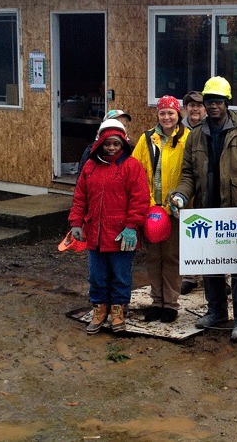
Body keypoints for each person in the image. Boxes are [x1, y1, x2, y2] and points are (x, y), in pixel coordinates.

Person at [168, 76, 237, 342]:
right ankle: (217, 312)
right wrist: (179, 195)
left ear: (227, 103)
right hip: (207, 210)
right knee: (210, 264)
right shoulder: (196, 135)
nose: (213, 106)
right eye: (209, 101)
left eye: (218, 102)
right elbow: (188, 173)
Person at [68, 119, 150, 334]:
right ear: (100, 144)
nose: (111, 148)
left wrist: (132, 225)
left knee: (121, 276)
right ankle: (99, 309)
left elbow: (140, 199)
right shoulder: (90, 166)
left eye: (116, 144)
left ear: (122, 144)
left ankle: (118, 310)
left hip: (122, 234)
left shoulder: (132, 167)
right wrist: (76, 222)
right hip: (95, 232)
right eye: (107, 144)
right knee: (97, 275)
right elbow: (80, 197)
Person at [132, 95, 189, 323]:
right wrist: (145, 204)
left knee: (172, 256)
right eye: (163, 113)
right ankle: (157, 301)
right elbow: (136, 172)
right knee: (154, 257)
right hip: (150, 210)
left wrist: (178, 202)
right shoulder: (147, 139)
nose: (167, 117)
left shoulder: (188, 138)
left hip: (175, 210)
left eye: (171, 113)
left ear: (178, 115)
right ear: (157, 115)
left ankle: (171, 304)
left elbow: (191, 174)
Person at [179, 90, 207, 295]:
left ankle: (216, 277)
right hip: (186, 187)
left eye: (199, 105)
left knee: (212, 233)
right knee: (189, 233)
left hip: (208, 187)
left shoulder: (211, 128)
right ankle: (189, 277)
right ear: (185, 108)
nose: (195, 109)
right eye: (191, 105)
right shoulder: (178, 131)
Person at [77, 109, 132, 180]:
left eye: (124, 125)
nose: (120, 128)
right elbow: (81, 180)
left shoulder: (131, 149)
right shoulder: (91, 151)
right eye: (116, 125)